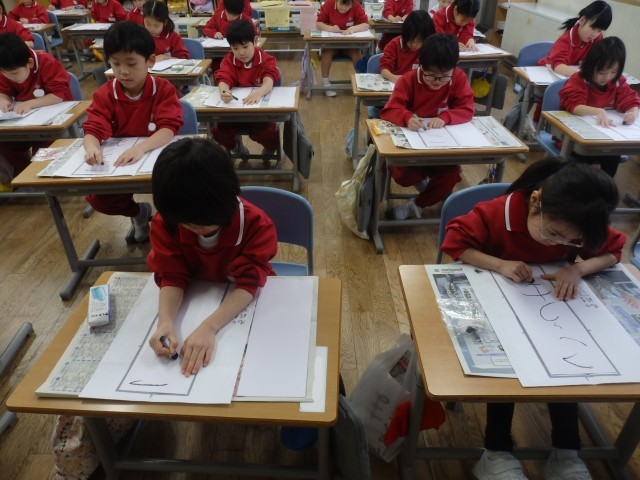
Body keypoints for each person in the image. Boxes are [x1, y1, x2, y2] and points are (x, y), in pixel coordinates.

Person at [441, 159, 625, 480]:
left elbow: (613, 252)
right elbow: (454, 243)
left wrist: (577, 268)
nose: (559, 244)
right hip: (492, 301)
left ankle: (566, 453)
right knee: (510, 368)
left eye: (572, 242)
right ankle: (496, 450)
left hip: (548, 310)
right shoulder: (496, 213)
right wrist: (499, 264)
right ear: (536, 201)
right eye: (553, 234)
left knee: (567, 365)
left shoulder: (580, 220)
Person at [147, 137, 277, 377]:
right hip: (199, 298)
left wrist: (209, 327)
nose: (194, 229)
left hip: (245, 306)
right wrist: (165, 322)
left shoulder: (256, 225)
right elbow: (171, 275)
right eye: (186, 224)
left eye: (202, 223)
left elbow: (249, 282)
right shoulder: (167, 223)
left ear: (226, 199)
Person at [82, 21, 183, 242]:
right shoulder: (105, 94)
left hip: (155, 156)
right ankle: (139, 214)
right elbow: (93, 126)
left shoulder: (163, 89)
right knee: (102, 199)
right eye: (116, 64)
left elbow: (168, 128)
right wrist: (91, 147)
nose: (123, 71)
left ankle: (169, 232)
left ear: (150, 61)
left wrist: (141, 148)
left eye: (131, 64)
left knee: (178, 195)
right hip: (120, 162)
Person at [380, 33, 474, 220]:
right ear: (421, 64)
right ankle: (428, 188)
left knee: (451, 175)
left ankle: (417, 205)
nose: (437, 81)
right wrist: (406, 117)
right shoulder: (408, 80)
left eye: (444, 76)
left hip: (442, 146)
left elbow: (467, 109)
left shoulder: (458, 78)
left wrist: (446, 116)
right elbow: (390, 109)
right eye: (431, 75)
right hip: (411, 148)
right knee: (403, 175)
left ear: (455, 67)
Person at [559, 36, 639, 178]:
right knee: (581, 162)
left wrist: (632, 112)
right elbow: (573, 106)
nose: (607, 77)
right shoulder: (579, 80)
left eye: (613, 72)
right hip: (573, 140)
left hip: (605, 140)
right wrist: (597, 111)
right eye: (602, 72)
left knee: (613, 155)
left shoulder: (617, 82)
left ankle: (603, 188)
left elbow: (631, 99)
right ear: (591, 66)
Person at [0, 32, 71, 178]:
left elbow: (58, 95)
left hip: (54, 120)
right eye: (5, 73)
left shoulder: (47, 63)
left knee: (44, 150)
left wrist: (30, 103)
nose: (11, 77)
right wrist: (4, 100)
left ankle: (42, 177)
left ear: (30, 63)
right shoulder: (6, 67)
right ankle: (27, 174)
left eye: (15, 73)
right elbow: (3, 91)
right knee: (5, 145)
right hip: (24, 123)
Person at [213, 18, 280, 165]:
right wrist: (224, 90)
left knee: (268, 132)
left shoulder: (266, 59)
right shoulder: (229, 60)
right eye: (235, 48)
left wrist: (258, 93)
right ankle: (237, 149)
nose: (241, 53)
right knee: (219, 132)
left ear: (255, 41)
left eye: (245, 46)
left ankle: (270, 150)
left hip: (259, 114)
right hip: (234, 113)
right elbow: (224, 77)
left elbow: (269, 81)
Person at [365, 10, 434, 119]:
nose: (414, 44)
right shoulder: (394, 44)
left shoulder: (428, 48)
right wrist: (395, 78)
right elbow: (384, 69)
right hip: (393, 95)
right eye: (411, 40)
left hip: (416, 98)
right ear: (405, 34)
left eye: (419, 41)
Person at [537, 1, 611, 78]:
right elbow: (558, 66)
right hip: (545, 73)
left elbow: (599, 59)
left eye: (599, 31)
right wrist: (581, 77)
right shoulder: (565, 40)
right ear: (582, 20)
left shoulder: (597, 38)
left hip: (569, 74)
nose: (594, 34)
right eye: (593, 28)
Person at [315, 0, 369, 97]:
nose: (343, 9)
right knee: (326, 53)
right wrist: (330, 28)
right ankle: (326, 84)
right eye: (340, 5)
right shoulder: (328, 4)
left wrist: (353, 29)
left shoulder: (356, 5)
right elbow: (319, 24)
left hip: (349, 44)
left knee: (356, 52)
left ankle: (361, 82)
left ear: (351, 3)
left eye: (347, 6)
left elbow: (365, 24)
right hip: (332, 43)